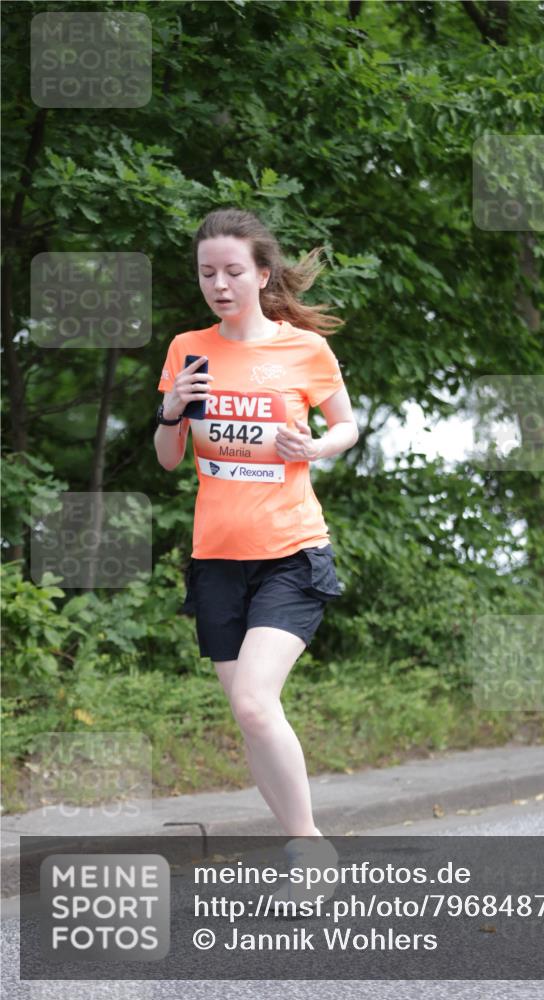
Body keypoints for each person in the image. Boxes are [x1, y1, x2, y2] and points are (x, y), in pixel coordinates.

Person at [154, 208, 358, 904]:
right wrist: (170, 410)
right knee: (251, 716)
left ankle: (309, 850)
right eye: (207, 272)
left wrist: (317, 446)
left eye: (233, 271)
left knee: (251, 701)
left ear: (262, 274)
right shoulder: (188, 348)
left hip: (290, 550)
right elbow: (168, 457)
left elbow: (345, 425)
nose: (219, 283)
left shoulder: (302, 350)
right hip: (215, 557)